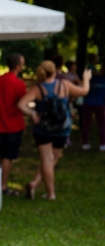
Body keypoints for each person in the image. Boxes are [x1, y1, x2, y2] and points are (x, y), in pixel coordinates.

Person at [17, 60, 91, 200]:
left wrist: (32, 113)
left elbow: (21, 104)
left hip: (43, 130)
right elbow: (84, 91)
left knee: (47, 160)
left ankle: (40, 187)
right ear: (55, 71)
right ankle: (48, 192)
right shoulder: (64, 85)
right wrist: (86, 78)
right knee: (52, 160)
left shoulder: (37, 89)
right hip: (62, 129)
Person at [0, 53, 27, 195]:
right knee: (8, 156)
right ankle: (3, 186)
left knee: (3, 153)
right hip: (13, 124)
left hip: (0, 123)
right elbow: (23, 101)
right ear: (18, 66)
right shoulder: (18, 84)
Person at [81, 64, 105, 151]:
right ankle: (102, 144)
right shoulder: (99, 79)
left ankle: (85, 143)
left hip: (89, 102)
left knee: (87, 123)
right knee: (101, 124)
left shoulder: (91, 79)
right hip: (98, 103)